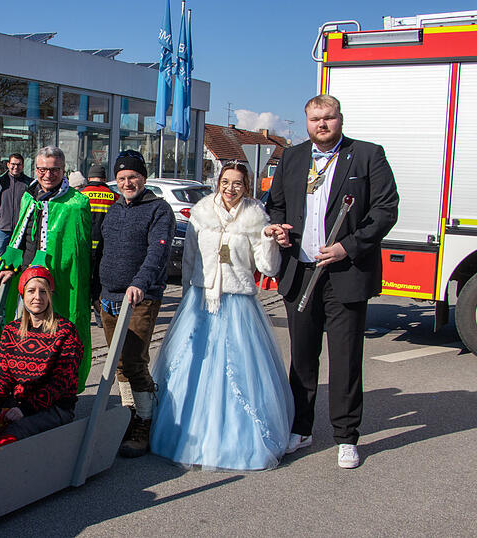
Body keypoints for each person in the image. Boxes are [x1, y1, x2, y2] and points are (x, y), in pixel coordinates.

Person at [265, 94, 399, 469]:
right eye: (314, 119)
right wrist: (277, 228)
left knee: (345, 361)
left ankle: (346, 436)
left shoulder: (368, 155)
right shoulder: (291, 158)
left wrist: (348, 247)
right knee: (303, 359)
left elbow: (386, 210)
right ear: (306, 122)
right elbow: (274, 204)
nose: (321, 125)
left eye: (328, 118)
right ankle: (301, 429)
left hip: (346, 274)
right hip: (300, 270)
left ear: (340, 118)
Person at [149, 162, 293, 470]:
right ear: (218, 183)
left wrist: (267, 238)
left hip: (238, 303)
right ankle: (187, 435)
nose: (230, 189)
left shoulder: (256, 217)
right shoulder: (201, 213)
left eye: (238, 183)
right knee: (192, 368)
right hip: (201, 300)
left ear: (247, 187)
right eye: (225, 182)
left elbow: (267, 268)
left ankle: (238, 440)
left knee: (238, 371)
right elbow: (190, 259)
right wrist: (188, 292)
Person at [96, 149, 175, 458]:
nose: (127, 183)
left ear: (143, 178)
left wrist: (139, 283)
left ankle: (144, 419)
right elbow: (102, 249)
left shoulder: (159, 210)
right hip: (108, 297)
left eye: (132, 177)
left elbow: (158, 252)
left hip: (140, 298)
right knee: (117, 363)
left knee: (134, 361)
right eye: (122, 178)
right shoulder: (114, 209)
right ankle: (128, 414)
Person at [0, 146, 92, 391]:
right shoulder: (29, 196)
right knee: (23, 332)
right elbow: (21, 235)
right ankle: (21, 383)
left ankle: (53, 387)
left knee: (54, 336)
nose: (48, 174)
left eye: (54, 169)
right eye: (42, 169)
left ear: (63, 170)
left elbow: (76, 251)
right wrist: (11, 266)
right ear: (36, 169)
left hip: (58, 283)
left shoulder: (76, 203)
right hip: (27, 280)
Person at [0, 266, 81, 446]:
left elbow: (61, 382)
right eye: (31, 291)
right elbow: (2, 374)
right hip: (17, 401)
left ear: (50, 295)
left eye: (43, 292)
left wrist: (25, 409)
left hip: (54, 406)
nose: (37, 297)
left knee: (12, 433)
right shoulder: (11, 330)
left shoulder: (66, 331)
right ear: (23, 295)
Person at [0, 153, 32, 299]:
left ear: (23, 166)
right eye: (13, 164)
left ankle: (19, 295)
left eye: (19, 164)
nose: (16, 167)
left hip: (21, 231)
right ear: (8, 165)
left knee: (21, 265)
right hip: (3, 230)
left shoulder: (29, 183)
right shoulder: (0, 182)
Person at [81, 163, 118, 324]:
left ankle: (82, 318)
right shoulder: (115, 197)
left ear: (89, 178)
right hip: (105, 249)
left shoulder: (81, 195)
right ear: (104, 179)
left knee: (82, 283)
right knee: (99, 285)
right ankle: (101, 319)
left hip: (84, 249)